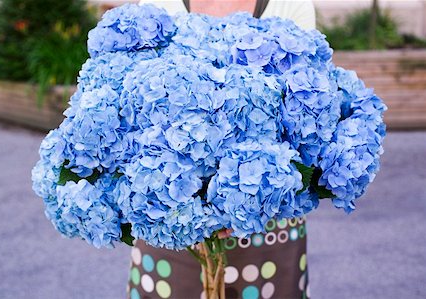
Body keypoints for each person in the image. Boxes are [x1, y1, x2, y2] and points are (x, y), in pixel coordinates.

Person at [128, 1, 316, 298]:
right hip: (173, 224)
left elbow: (310, 114)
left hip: (265, 226)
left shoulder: (290, 3)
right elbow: (131, 110)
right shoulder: (159, 2)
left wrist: (238, 207)